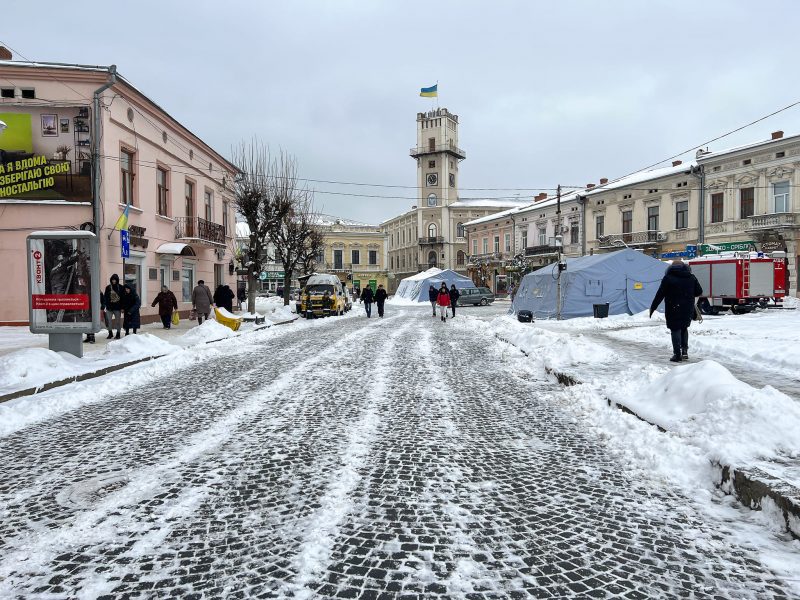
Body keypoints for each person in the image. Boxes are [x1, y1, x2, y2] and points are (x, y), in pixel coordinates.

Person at [649, 262, 703, 362]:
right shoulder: (691, 277)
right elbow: (699, 292)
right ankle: (685, 352)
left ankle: (677, 354)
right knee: (684, 328)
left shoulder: (668, 278)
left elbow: (660, 294)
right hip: (687, 308)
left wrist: (653, 307)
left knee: (675, 329)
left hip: (673, 308)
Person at [103, 274, 124, 339]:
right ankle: (110, 333)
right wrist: (105, 305)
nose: (113, 281)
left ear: (117, 280)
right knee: (109, 321)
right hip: (109, 308)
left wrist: (122, 307)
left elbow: (123, 298)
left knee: (118, 322)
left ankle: (118, 334)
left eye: (115, 280)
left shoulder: (120, 287)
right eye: (112, 280)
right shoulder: (108, 287)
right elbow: (105, 297)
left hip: (117, 308)